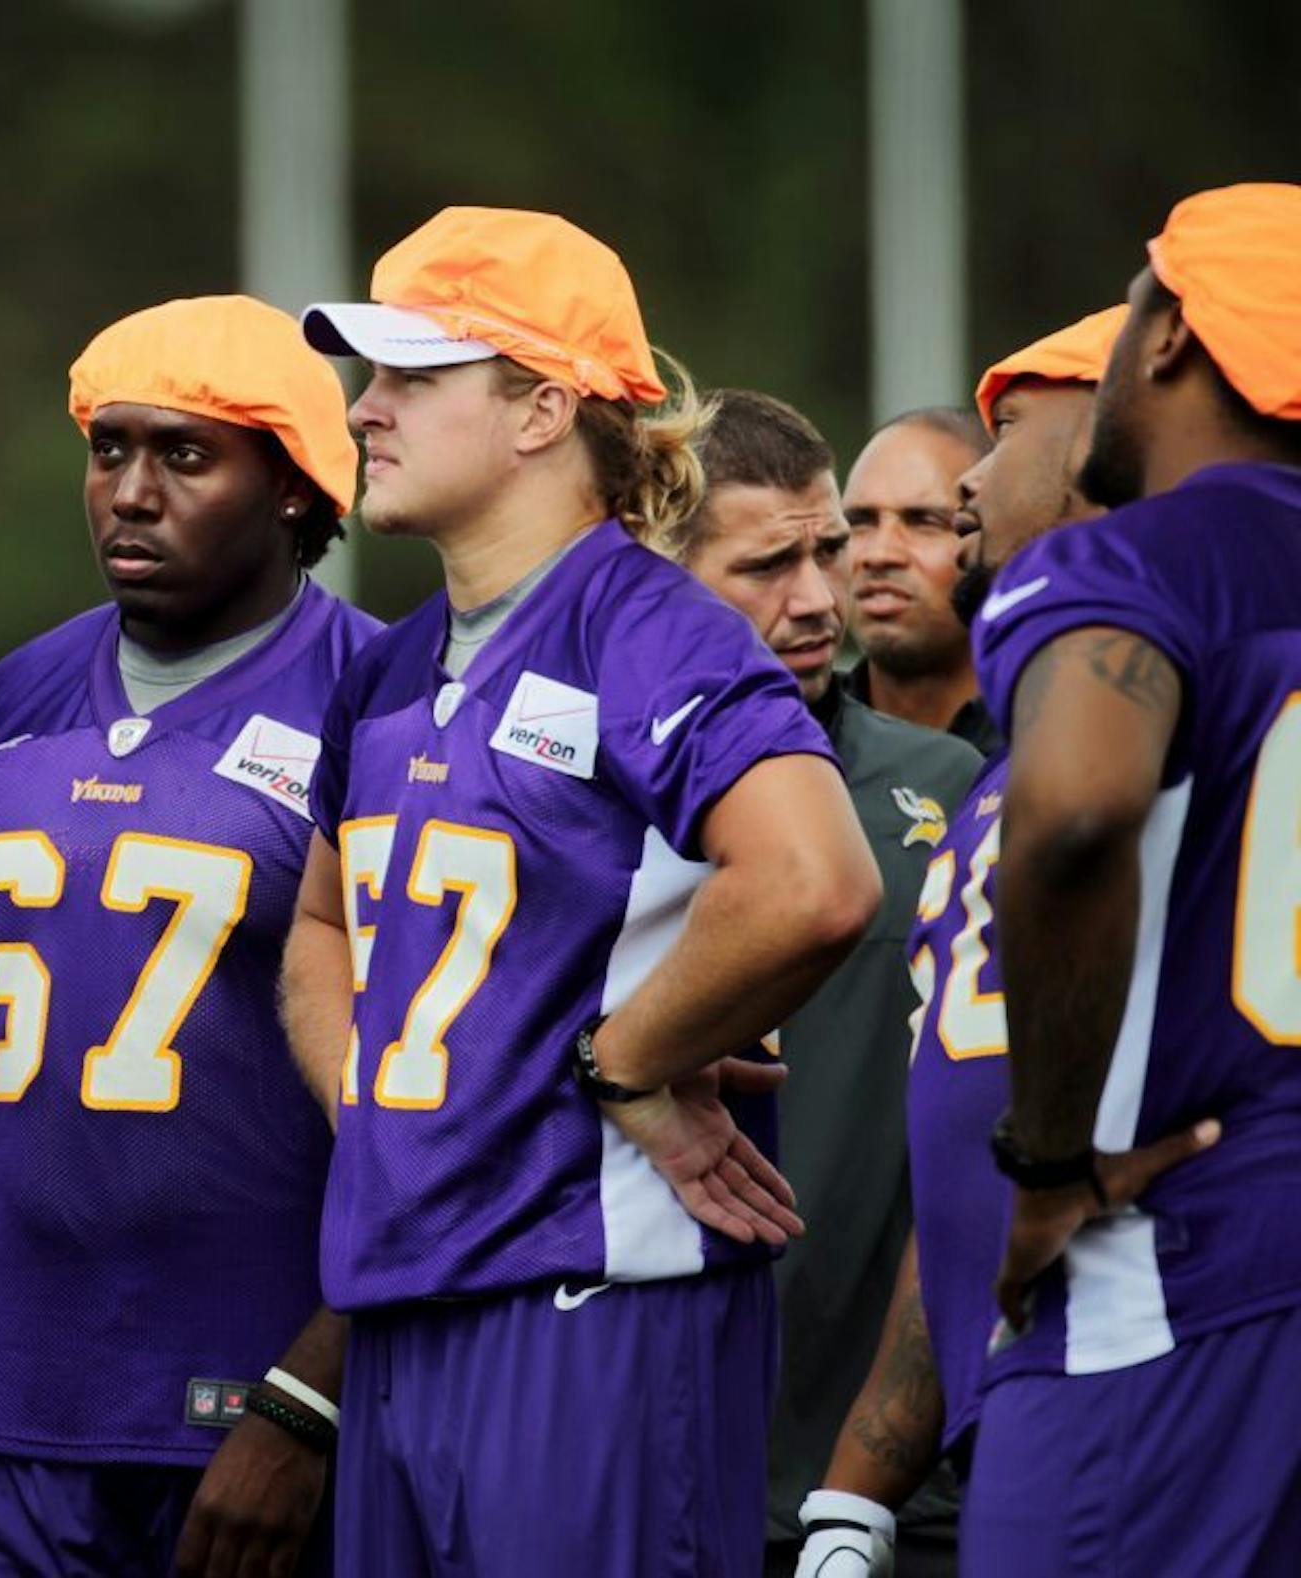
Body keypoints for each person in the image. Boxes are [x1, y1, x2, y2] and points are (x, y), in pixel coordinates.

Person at [283, 205, 881, 1575]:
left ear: (543, 407)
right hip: (406, 1304)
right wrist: (372, 1103)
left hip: (590, 1302)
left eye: (410, 379)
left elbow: (812, 878)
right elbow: (320, 922)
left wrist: (626, 1064)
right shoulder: (388, 665)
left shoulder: (651, 626)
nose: (365, 411)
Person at [0, 295, 378, 1578]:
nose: (130, 493)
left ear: (296, 491)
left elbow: (429, 1107)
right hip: (14, 1417)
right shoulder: (9, 697)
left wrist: (312, 1395)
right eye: (110, 449)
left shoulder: (384, 704)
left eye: (186, 456)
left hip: (264, 1408)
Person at [783, 306, 1199, 1577]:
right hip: (1001, 1396)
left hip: (1146, 1352)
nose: (968, 480)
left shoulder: (1157, 657)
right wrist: (860, 1486)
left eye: (1006, 430)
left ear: (1111, 438)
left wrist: (1051, 1152)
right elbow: (965, 1165)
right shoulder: (998, 770)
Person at [965, 182, 1301, 1574]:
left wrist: (1045, 1161)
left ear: (1168, 334)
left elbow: (1074, 811)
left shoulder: (1134, 558)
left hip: (1183, 1276)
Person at [648, 389, 982, 1576]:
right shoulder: (570, 790)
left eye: (826, 550)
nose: (817, 601)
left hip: (898, 1492)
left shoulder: (948, 786)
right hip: (644, 1460)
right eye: (766, 564)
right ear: (660, 569)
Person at [841, 410, 1001, 754]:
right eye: (860, 522)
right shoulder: (795, 746)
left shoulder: (1048, 742)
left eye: (923, 522)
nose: (880, 554)